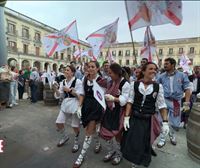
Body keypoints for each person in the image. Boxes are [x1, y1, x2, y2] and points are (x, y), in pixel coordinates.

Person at [121, 62, 169, 168]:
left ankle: (140, 160)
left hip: (148, 120)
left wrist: (165, 122)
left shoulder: (158, 87)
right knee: (133, 142)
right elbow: (130, 101)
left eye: (155, 69)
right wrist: (127, 117)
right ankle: (134, 162)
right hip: (135, 118)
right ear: (143, 71)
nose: (154, 71)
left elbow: (162, 105)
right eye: (151, 69)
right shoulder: (135, 84)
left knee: (144, 143)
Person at [98, 63, 130, 165]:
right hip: (109, 110)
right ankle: (110, 151)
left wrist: (114, 98)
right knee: (106, 130)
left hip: (119, 112)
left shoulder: (125, 84)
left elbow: (125, 100)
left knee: (117, 134)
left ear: (117, 73)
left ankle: (119, 154)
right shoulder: (110, 82)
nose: (109, 74)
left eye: (110, 73)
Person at [73, 61, 103, 168]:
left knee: (88, 131)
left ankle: (81, 156)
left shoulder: (102, 80)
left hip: (96, 107)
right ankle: (98, 143)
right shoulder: (85, 79)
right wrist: (80, 106)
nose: (90, 69)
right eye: (89, 67)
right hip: (87, 107)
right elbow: (82, 93)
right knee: (92, 129)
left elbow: (102, 97)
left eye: (93, 67)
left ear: (97, 68)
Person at [157, 58, 191, 148]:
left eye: (167, 64)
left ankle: (172, 135)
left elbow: (187, 88)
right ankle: (162, 139)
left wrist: (187, 102)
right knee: (162, 121)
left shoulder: (182, 75)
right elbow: (155, 87)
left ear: (173, 65)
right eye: (164, 63)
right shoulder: (161, 76)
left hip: (176, 102)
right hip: (164, 100)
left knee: (175, 123)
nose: (165, 65)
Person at [53, 65, 83, 153]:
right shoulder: (63, 82)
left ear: (72, 72)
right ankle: (64, 137)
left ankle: (76, 142)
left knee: (75, 125)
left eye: (67, 70)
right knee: (58, 122)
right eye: (65, 70)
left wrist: (70, 91)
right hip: (65, 104)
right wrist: (55, 89)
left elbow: (80, 95)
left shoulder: (78, 82)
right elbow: (60, 95)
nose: (65, 71)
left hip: (75, 104)